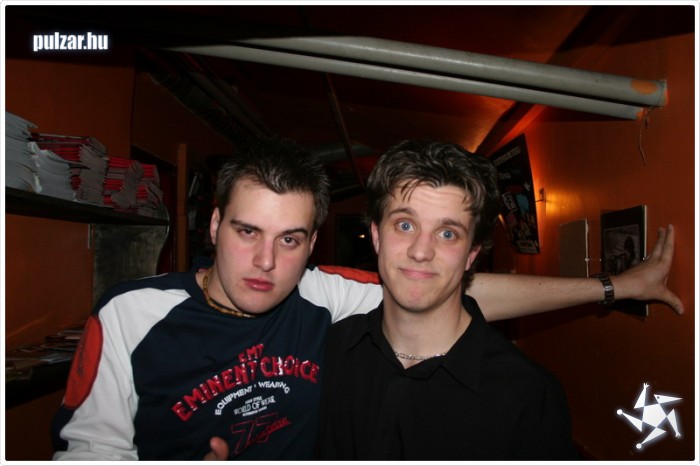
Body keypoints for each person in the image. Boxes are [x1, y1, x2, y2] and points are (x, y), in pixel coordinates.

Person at [51, 137, 681, 461]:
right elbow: (88, 452)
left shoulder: (318, 295)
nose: (266, 262)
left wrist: (618, 285)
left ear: (311, 244)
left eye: (289, 239)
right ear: (214, 225)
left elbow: (439, 288)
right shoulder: (129, 315)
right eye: (247, 232)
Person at [315, 141, 577, 459]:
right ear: (376, 236)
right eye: (405, 225)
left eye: (447, 233)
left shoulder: (528, 394)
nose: (421, 251)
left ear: (471, 254)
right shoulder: (326, 352)